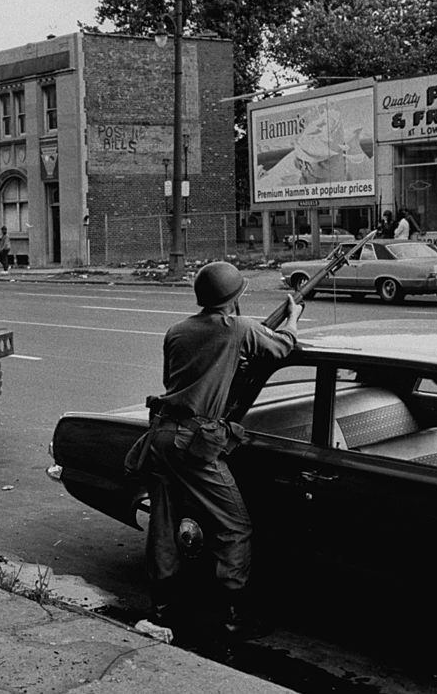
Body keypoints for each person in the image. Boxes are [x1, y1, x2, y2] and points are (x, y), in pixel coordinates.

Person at [140, 261, 301, 642]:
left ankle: (162, 612)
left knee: (163, 525)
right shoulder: (240, 330)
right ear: (236, 298)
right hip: (193, 443)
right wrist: (293, 317)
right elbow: (283, 346)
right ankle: (232, 617)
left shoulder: (176, 332)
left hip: (160, 435)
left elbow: (175, 379)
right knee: (235, 527)